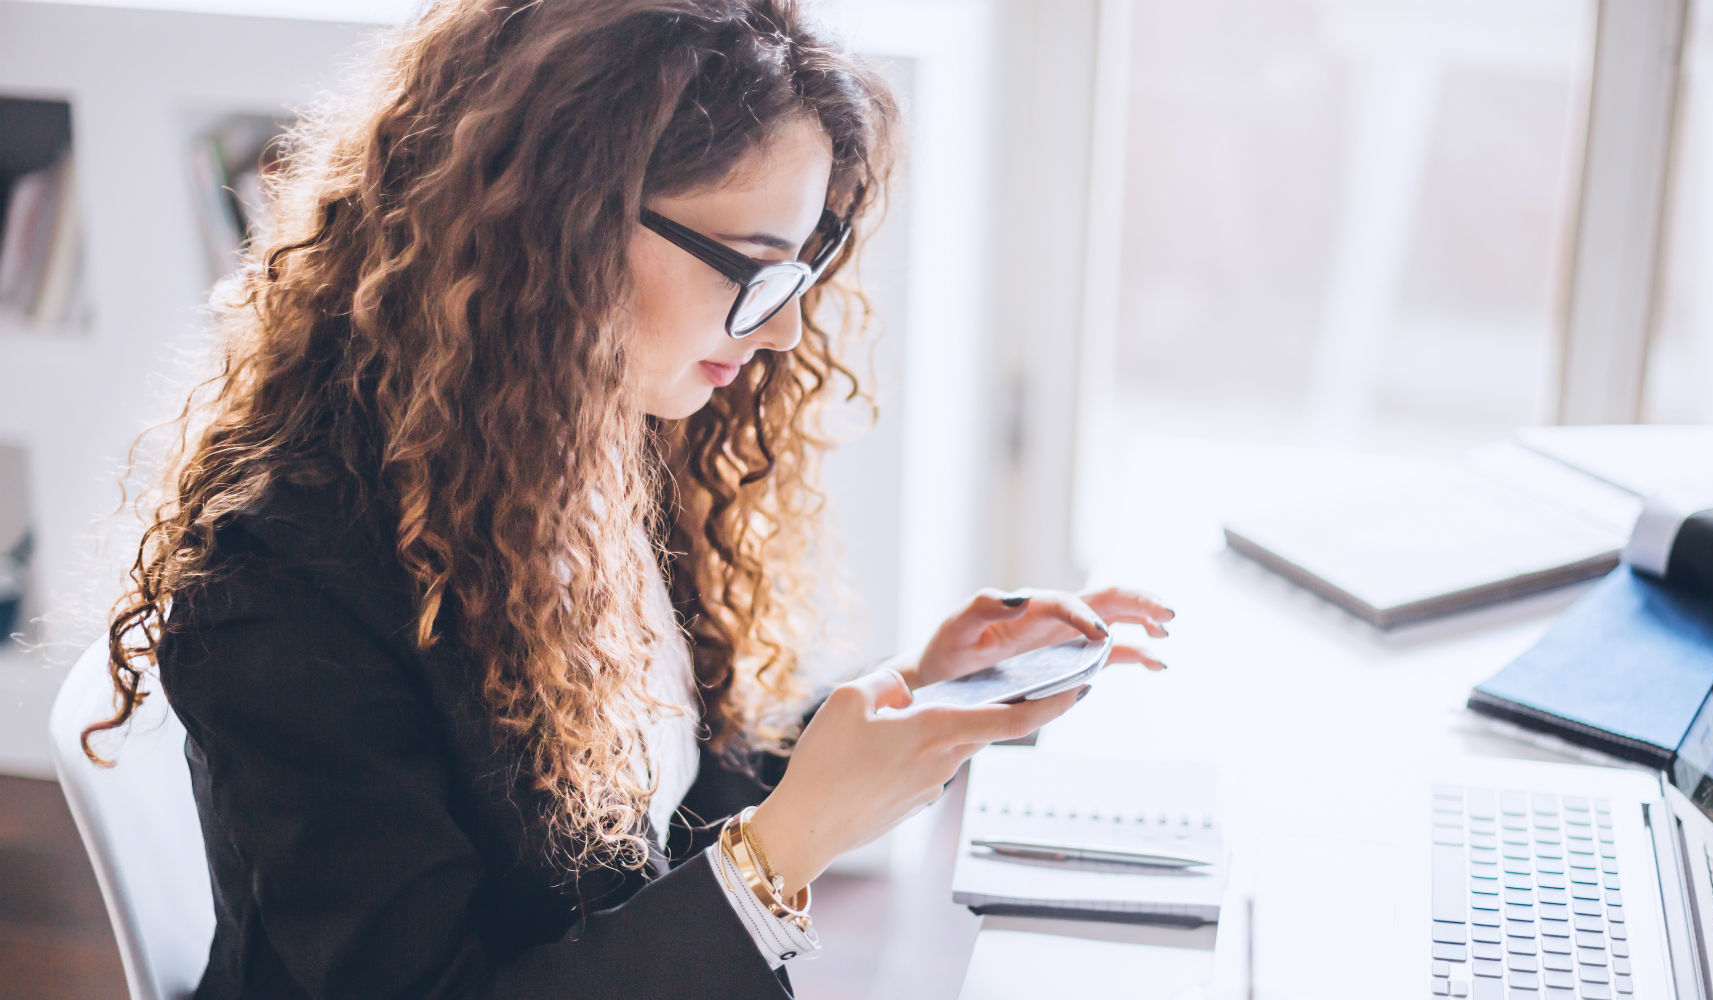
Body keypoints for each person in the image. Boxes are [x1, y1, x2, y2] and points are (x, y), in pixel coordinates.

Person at [83, 2, 1174, 997]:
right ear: (556, 224)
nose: (785, 328)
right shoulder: (282, 573)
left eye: (799, 271)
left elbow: (661, 803)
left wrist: (916, 691)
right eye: (751, 266)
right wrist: (778, 855)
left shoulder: (593, 439)